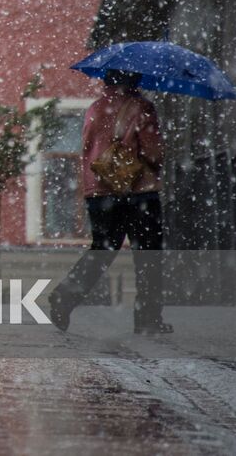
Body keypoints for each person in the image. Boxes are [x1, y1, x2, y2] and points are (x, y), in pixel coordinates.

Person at [48, 69, 169, 335]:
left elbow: (89, 149)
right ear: (132, 79)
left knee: (101, 251)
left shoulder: (94, 108)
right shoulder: (142, 107)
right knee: (148, 255)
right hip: (138, 191)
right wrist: (160, 150)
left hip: (99, 191)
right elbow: (153, 153)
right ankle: (148, 318)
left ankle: (65, 295)